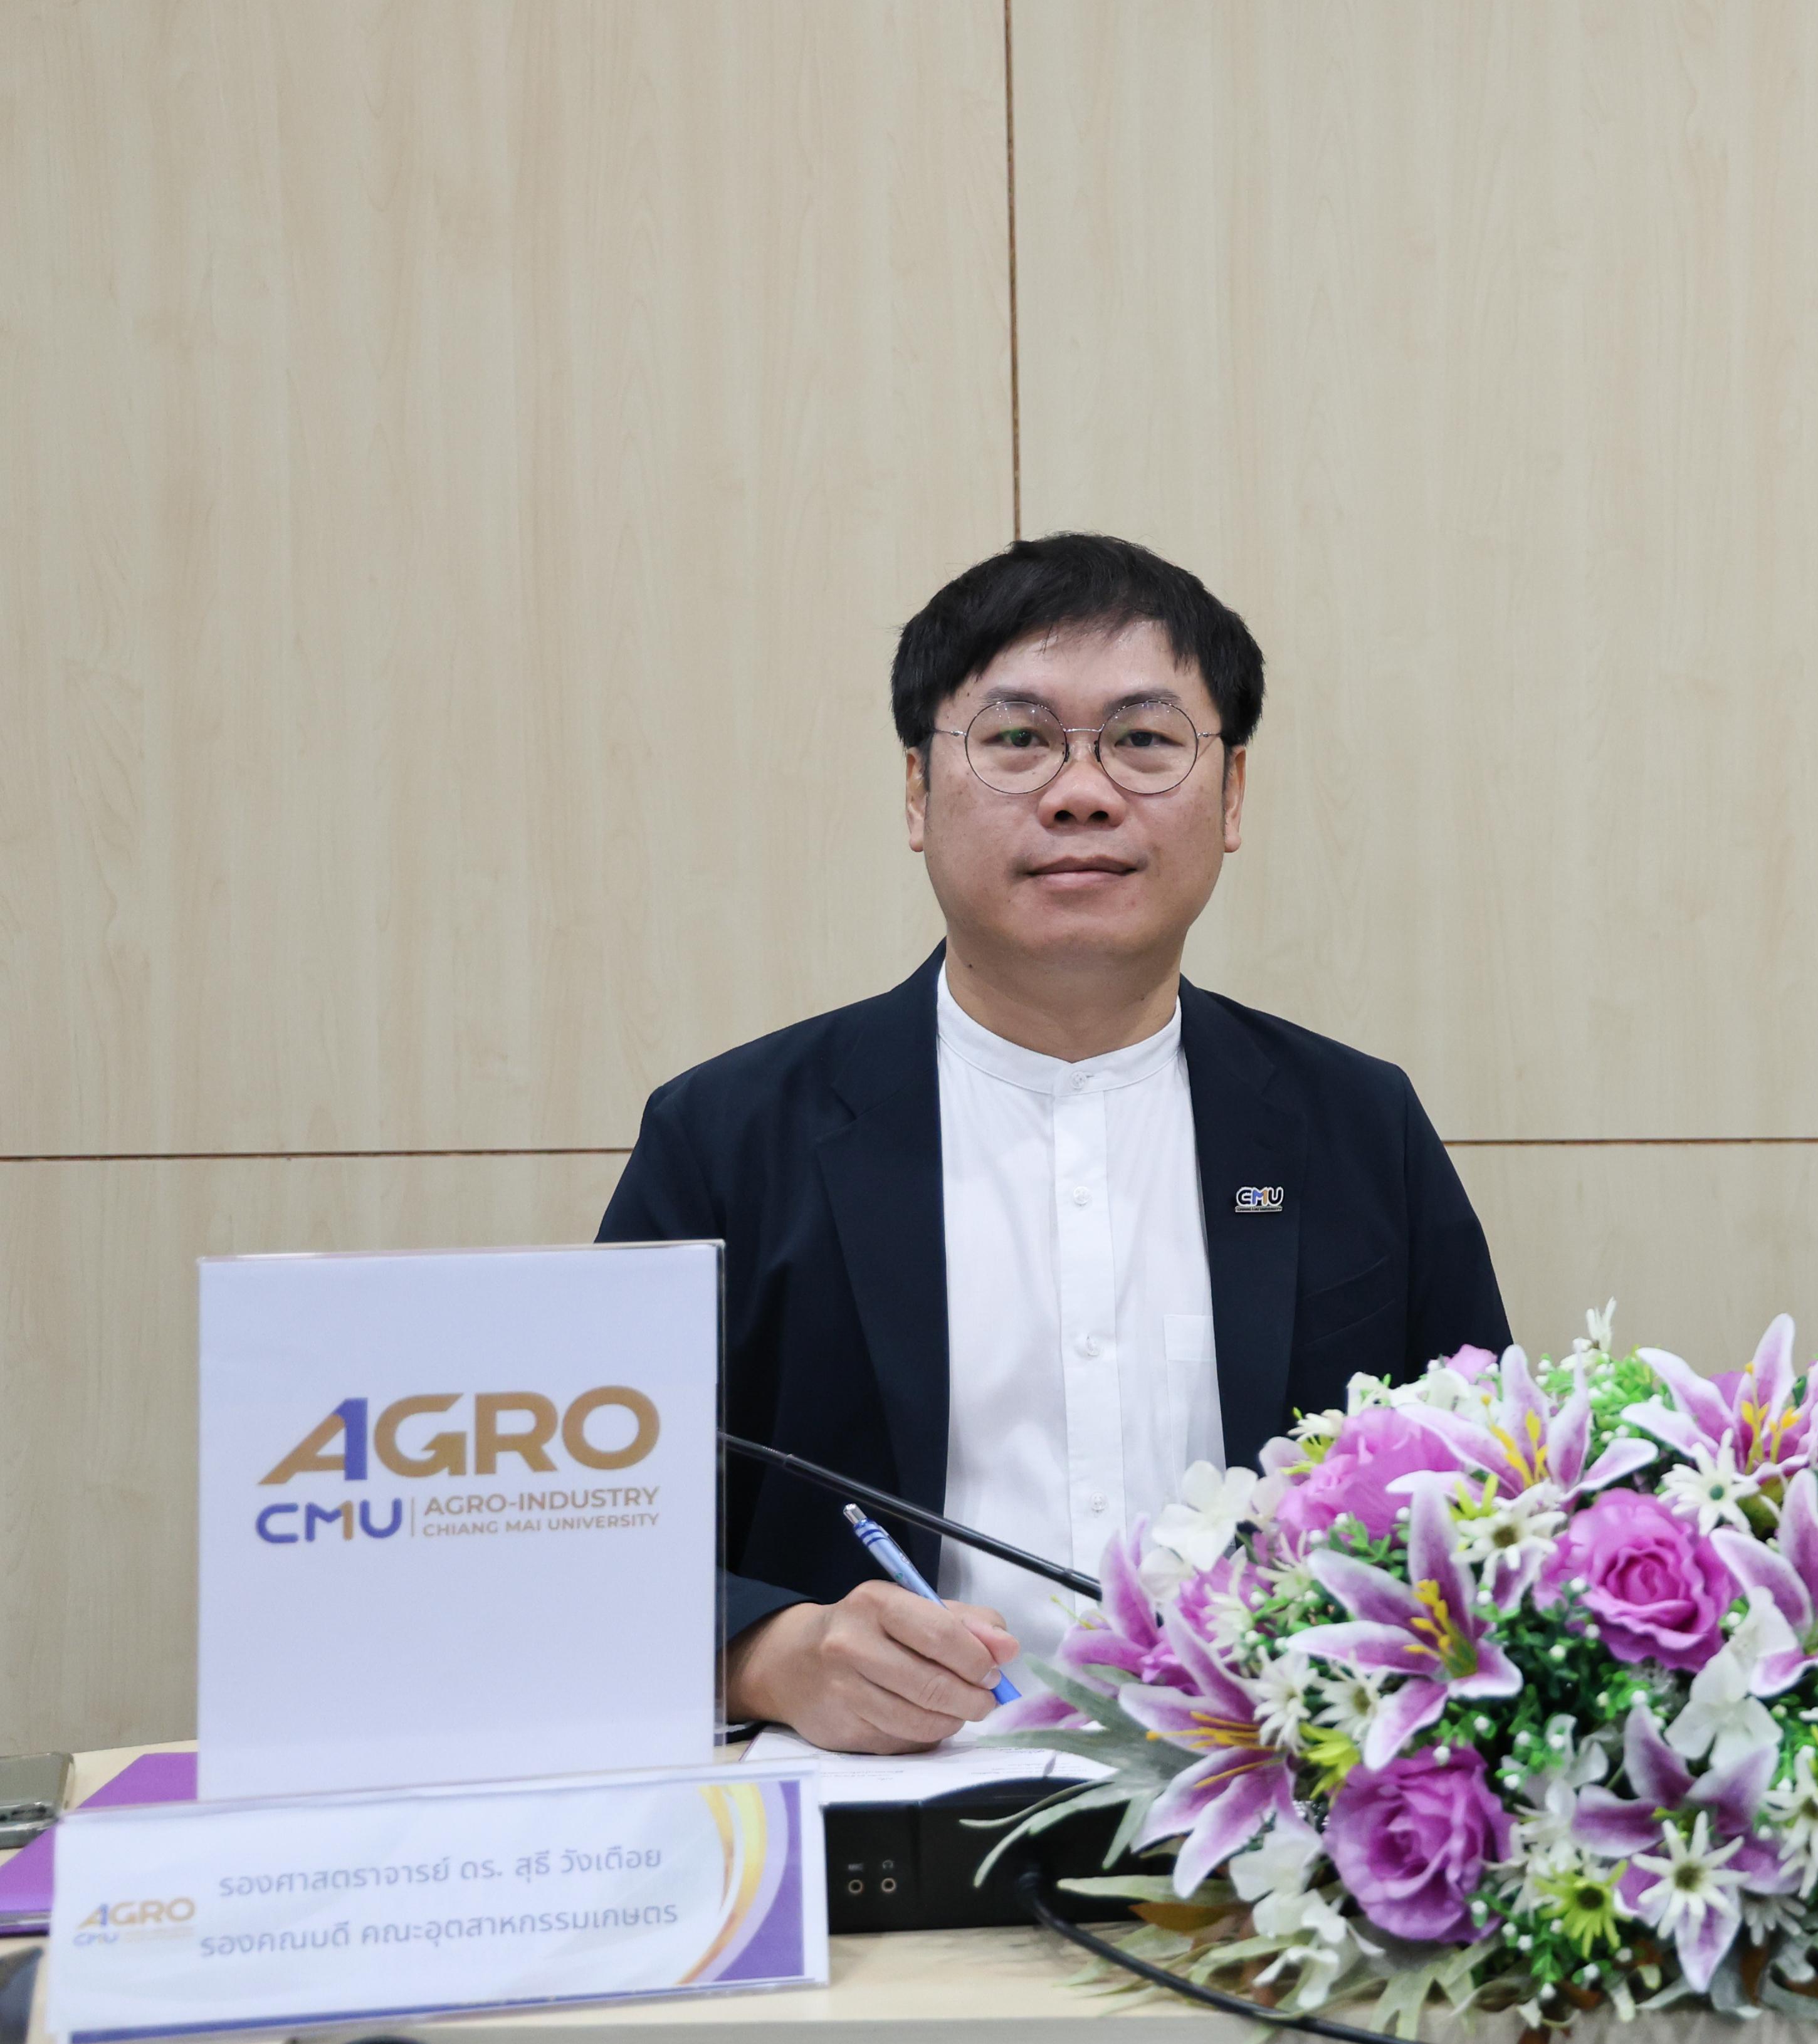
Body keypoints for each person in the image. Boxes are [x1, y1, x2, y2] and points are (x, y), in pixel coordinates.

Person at [602, 534, 1509, 1751]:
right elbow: (594, 1534)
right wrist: (768, 1657)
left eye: (1144, 741)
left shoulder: (1355, 1124)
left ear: (1233, 796)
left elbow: (1489, 1498)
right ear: (917, 792)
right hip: (874, 1813)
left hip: (1277, 1805)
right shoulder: (730, 1137)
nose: (1082, 793)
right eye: (1019, 739)